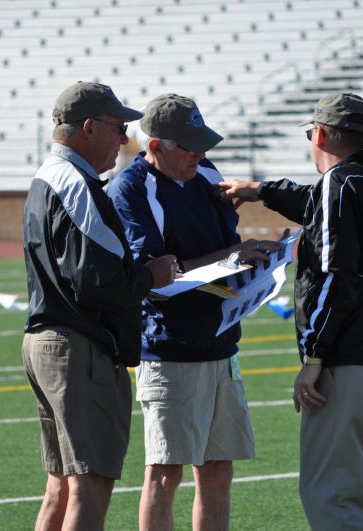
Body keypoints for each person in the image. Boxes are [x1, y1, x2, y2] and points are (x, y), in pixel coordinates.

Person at [217, 93, 363, 530]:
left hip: (351, 364)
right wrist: (259, 190)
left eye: (311, 134)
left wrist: (313, 358)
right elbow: (316, 202)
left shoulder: (338, 186)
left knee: (333, 495)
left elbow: (335, 278)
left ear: (322, 134)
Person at [107, 93, 281, 531]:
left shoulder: (205, 172)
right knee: (164, 474)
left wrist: (256, 261)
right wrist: (236, 254)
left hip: (222, 345)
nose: (200, 153)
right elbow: (158, 279)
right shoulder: (129, 190)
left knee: (219, 468)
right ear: (155, 146)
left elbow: (225, 248)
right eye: (188, 145)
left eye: (201, 143)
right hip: (169, 349)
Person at [22, 81, 178, 531]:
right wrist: (152, 275)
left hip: (48, 341)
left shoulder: (48, 176)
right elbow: (97, 280)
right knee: (90, 485)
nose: (125, 138)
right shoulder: (77, 185)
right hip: (78, 348)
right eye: (118, 127)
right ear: (89, 128)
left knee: (61, 486)